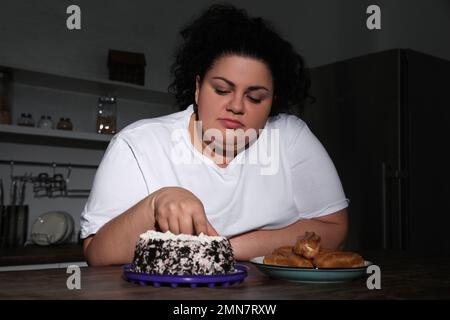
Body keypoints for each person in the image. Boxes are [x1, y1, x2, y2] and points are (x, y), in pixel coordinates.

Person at [81, 4, 349, 266]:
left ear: (273, 102)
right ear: (198, 88)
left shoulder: (291, 137)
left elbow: (333, 228)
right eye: (222, 90)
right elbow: (97, 253)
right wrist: (155, 203)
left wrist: (223, 249)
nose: (236, 106)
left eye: (255, 98)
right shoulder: (137, 145)